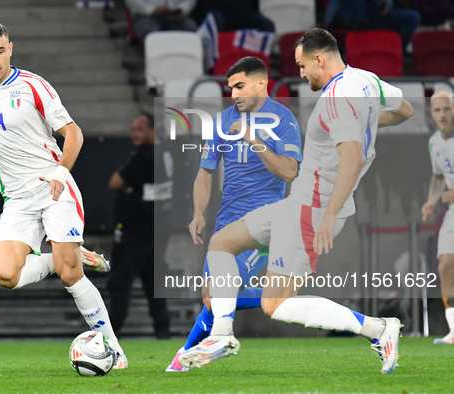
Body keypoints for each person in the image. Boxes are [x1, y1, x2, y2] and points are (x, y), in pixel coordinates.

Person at [179, 28, 414, 374]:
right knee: (221, 243)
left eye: (303, 65)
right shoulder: (366, 80)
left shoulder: (336, 99)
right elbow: (405, 109)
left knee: (275, 304)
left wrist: (329, 215)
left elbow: (352, 159)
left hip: (313, 208)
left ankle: (378, 329)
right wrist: (366, 121)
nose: (301, 74)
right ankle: (222, 334)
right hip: (299, 202)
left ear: (319, 59)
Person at [0, 21, 127, 368]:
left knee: (70, 275)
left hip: (54, 189)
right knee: (6, 275)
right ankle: (73, 256)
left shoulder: (34, 86)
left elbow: (74, 133)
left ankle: (114, 348)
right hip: (17, 199)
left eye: (0, 50)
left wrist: (61, 171)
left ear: (10, 49)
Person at [165, 56, 302, 372]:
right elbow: (206, 172)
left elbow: (289, 172)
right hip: (226, 223)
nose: (235, 94)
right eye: (231, 88)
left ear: (261, 83)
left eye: (240, 86)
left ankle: (181, 360)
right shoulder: (222, 121)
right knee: (210, 299)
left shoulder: (283, 120)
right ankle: (281, 297)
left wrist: (255, 141)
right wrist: (198, 213)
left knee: (216, 296)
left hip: (263, 224)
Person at [106, 114, 172, 339]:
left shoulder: (143, 157)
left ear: (153, 130)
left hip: (135, 231)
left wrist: (129, 191)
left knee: (120, 281)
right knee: (154, 283)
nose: (135, 134)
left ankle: (110, 332)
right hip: (159, 228)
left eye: (140, 129)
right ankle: (162, 331)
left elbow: (115, 182)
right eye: (133, 129)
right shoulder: (166, 154)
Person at [420, 91, 454, 345]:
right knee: (444, 266)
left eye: (447, 109)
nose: (443, 115)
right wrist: (431, 200)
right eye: (437, 110)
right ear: (431, 114)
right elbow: (439, 176)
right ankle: (453, 330)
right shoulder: (434, 142)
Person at [325, 0, 420, 50]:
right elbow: (334, 9)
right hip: (350, 16)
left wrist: (387, 4)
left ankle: (396, 50)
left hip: (375, 15)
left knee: (413, 17)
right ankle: (361, 23)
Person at [125, 0, 198, 41]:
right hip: (145, 15)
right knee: (152, 35)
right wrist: (150, 10)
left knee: (191, 30)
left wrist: (182, 9)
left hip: (176, 15)